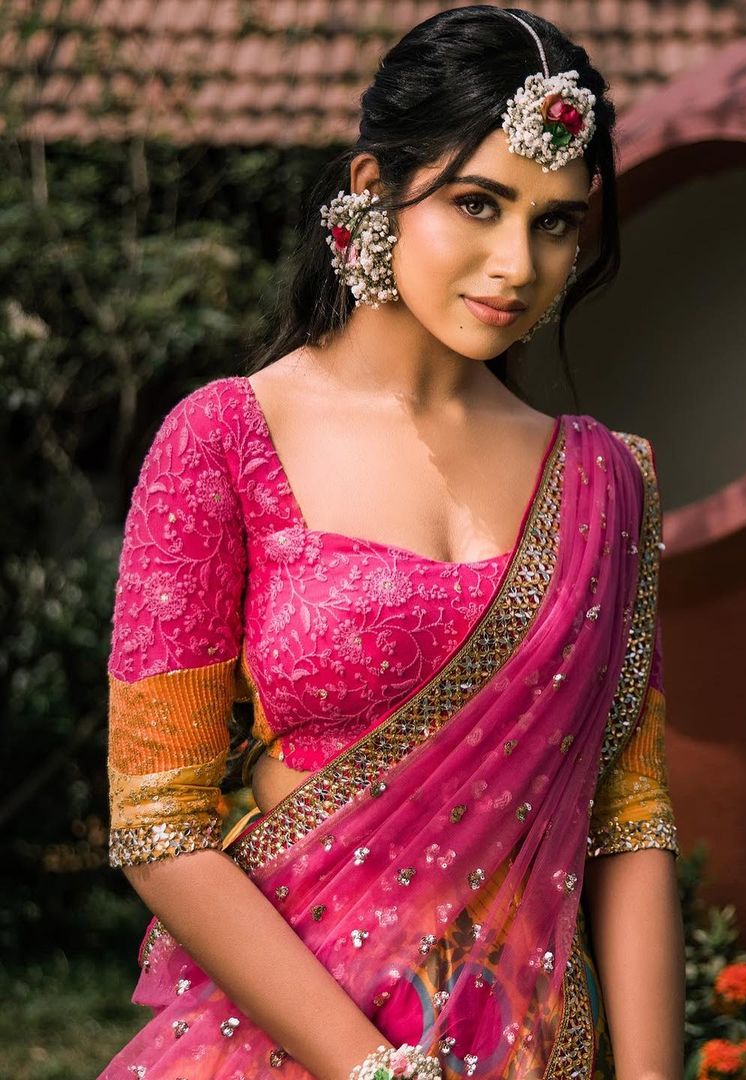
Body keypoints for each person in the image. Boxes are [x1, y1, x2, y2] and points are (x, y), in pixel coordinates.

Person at [99, 6, 683, 1078]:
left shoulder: (607, 482)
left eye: (555, 223)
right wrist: (373, 1069)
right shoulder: (226, 441)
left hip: (528, 1048)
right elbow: (159, 825)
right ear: (373, 192)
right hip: (287, 1047)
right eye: (478, 204)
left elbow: (627, 819)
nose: (517, 263)